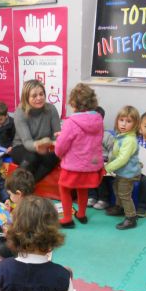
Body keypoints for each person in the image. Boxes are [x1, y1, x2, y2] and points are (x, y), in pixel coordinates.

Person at [54, 83, 104, 228]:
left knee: (64, 189)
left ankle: (67, 219)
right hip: (90, 166)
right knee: (83, 189)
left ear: (73, 103)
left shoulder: (70, 122)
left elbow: (61, 146)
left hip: (73, 166)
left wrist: (58, 151)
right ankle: (81, 214)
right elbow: (90, 140)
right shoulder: (98, 120)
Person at [11, 79, 61, 182]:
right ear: (26, 98)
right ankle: (16, 187)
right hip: (22, 146)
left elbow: (57, 136)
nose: (39, 98)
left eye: (41, 94)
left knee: (53, 156)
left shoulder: (51, 109)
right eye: (34, 96)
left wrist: (51, 145)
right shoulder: (20, 112)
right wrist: (39, 146)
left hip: (45, 146)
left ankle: (30, 185)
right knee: (32, 157)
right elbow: (27, 142)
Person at [105, 106, 142, 230]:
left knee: (125, 194)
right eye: (121, 120)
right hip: (122, 172)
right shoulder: (121, 135)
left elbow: (122, 159)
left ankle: (131, 217)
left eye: (128, 121)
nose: (124, 124)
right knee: (117, 188)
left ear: (135, 124)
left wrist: (108, 167)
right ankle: (120, 208)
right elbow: (116, 153)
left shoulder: (130, 140)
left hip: (129, 174)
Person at [87, 106, 115, 210]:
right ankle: (92, 196)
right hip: (90, 162)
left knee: (100, 174)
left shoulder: (107, 135)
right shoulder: (87, 135)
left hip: (104, 162)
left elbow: (113, 149)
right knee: (87, 173)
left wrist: (109, 162)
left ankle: (104, 199)